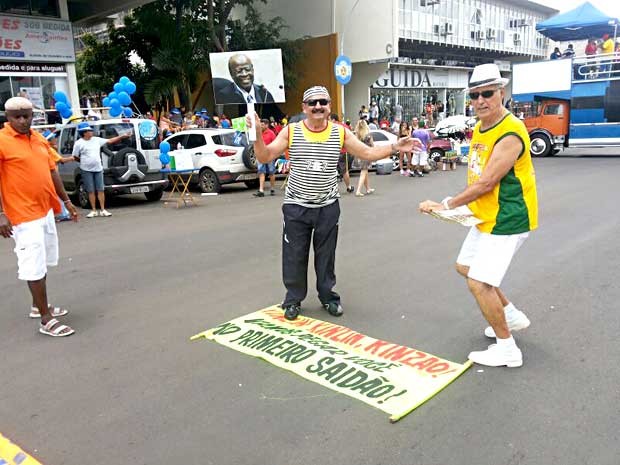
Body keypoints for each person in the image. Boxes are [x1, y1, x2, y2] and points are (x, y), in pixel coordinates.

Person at [247, 85, 421, 320]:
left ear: (329, 106)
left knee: (326, 256)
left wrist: (394, 147)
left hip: (327, 207)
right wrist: (257, 134)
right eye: (312, 102)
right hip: (296, 207)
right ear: (304, 108)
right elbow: (265, 156)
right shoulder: (291, 132)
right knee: (294, 255)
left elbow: (366, 153)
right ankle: (293, 300)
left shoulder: (340, 132)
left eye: (323, 102)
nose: (318, 106)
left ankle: (328, 296)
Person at [419, 63, 538, 368]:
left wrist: (447, 204)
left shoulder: (510, 131)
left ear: (502, 92)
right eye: (475, 95)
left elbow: (486, 182)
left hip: (508, 217)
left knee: (479, 282)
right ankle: (509, 316)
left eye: (488, 93)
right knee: (466, 266)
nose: (481, 100)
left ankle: (507, 349)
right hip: (485, 215)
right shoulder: (483, 127)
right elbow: (476, 176)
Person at [0, 97, 79, 337]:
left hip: (45, 210)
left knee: (43, 260)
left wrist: (66, 201)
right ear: (8, 117)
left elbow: (52, 171)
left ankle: (38, 306)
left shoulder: (38, 139)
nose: (23, 121)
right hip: (22, 214)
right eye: (17, 117)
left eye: (27, 116)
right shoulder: (2, 141)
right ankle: (46, 319)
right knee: (32, 264)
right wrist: (1, 213)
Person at [72, 122, 130, 218]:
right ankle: (94, 210)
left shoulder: (96, 140)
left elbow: (110, 141)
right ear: (84, 133)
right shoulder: (79, 143)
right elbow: (75, 156)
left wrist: (122, 136)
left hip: (98, 168)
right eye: (89, 130)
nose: (91, 132)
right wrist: (83, 161)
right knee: (90, 190)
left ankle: (103, 209)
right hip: (86, 169)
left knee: (100, 189)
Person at [330, 114, 354, 193]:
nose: (328, 121)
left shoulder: (329, 127)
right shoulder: (344, 127)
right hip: (342, 151)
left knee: (331, 170)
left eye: (329, 119)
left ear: (334, 120)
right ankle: (349, 187)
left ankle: (332, 189)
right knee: (345, 171)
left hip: (332, 152)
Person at [254, 119, 277, 197]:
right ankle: (261, 190)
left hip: (270, 155)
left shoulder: (271, 133)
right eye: (260, 124)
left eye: (262, 124)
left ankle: (272, 188)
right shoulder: (258, 133)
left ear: (267, 125)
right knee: (261, 171)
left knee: (271, 172)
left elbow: (275, 144)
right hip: (261, 155)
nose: (261, 126)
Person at [353, 119, 375, 197]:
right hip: (366, 155)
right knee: (363, 172)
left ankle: (368, 188)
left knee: (365, 172)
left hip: (359, 155)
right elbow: (372, 145)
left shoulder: (357, 135)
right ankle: (358, 190)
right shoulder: (368, 135)